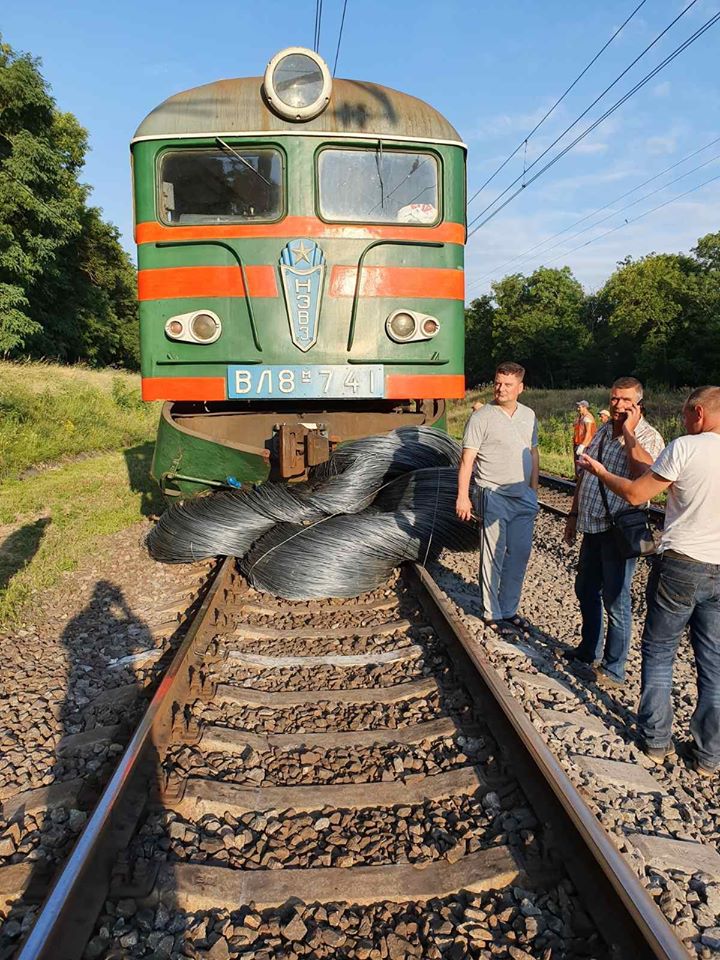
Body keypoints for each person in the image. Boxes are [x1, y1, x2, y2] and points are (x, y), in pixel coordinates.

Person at [580, 386, 720, 773]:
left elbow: (638, 494)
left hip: (681, 564)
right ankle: (709, 755)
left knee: (659, 653)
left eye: (685, 414)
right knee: (713, 662)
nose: (683, 420)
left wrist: (601, 472)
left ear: (698, 413)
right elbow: (655, 471)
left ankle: (656, 740)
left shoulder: (686, 447)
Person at [563, 377, 665, 686]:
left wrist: (630, 433)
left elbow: (644, 476)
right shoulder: (604, 431)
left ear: (638, 404)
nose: (618, 405)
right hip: (592, 525)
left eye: (625, 401)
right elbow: (585, 474)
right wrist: (573, 513)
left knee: (617, 600)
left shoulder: (649, 436)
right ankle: (587, 650)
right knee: (585, 589)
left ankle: (613, 668)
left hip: (619, 529)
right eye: (614, 399)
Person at [456, 362, 540, 634]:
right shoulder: (481, 417)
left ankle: (509, 609)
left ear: (520, 388)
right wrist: (463, 497)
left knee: (520, 553)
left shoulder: (529, 415)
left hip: (523, 496)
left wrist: (534, 490)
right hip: (493, 492)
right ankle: (492, 613)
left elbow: (533, 452)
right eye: (497, 383)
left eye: (507, 384)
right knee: (493, 555)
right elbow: (467, 460)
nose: (500, 389)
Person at [573, 400, 597, 477]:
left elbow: (589, 433)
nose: (578, 409)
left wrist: (583, 445)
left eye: (579, 407)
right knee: (577, 463)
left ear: (584, 407)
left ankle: (580, 481)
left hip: (585, 445)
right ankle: (577, 480)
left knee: (582, 464)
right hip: (577, 443)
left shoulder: (588, 418)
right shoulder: (580, 417)